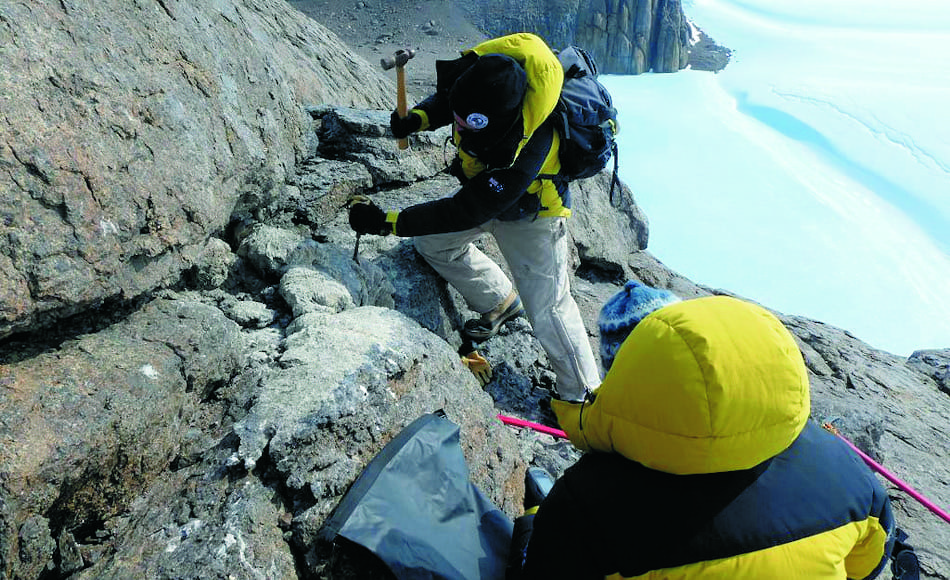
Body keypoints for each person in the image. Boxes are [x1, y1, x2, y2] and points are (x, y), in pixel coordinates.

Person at [508, 281, 896, 579]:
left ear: (625, 380)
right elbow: (868, 564)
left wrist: (536, 525)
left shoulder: (586, 499)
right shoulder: (847, 471)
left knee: (530, 528)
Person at [348, 32, 600, 402]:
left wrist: (385, 222)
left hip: (534, 217)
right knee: (433, 243)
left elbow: (466, 209)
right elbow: (451, 104)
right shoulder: (477, 78)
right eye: (458, 122)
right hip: (487, 191)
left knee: (549, 310)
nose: (459, 129)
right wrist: (416, 119)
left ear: (502, 120)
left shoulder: (533, 140)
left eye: (469, 126)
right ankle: (498, 299)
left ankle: (583, 398)